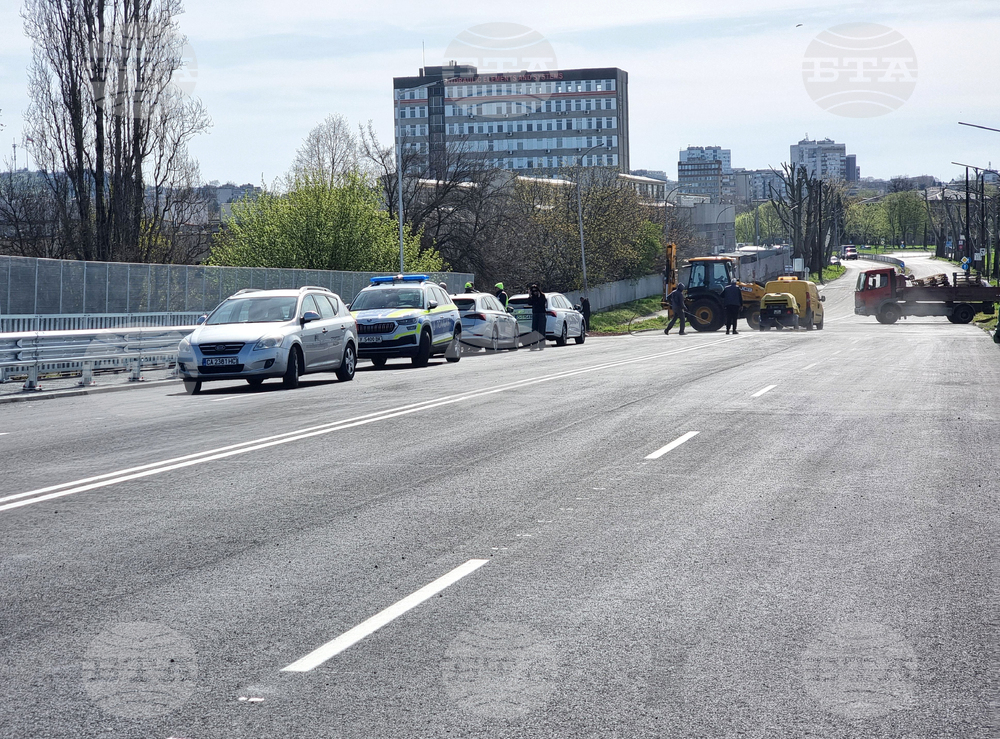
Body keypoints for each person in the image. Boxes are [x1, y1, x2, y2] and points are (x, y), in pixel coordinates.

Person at [528, 282, 547, 350]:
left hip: (541, 314)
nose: (535, 292)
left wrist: (539, 296)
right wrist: (530, 295)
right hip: (535, 314)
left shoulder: (542, 296)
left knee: (541, 330)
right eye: (533, 291)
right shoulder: (532, 297)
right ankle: (534, 345)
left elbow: (542, 303)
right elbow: (529, 303)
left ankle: (541, 345)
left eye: (536, 291)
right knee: (534, 330)